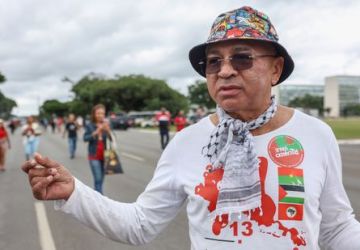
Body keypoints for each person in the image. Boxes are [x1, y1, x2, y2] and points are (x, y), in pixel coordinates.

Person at [22, 6, 360, 250]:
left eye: (242, 58)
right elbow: (140, 225)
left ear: (275, 70)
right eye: (214, 61)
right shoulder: (187, 142)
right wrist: (74, 193)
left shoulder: (315, 134)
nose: (225, 70)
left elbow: (336, 228)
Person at [83, 104, 112, 194]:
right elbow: (85, 138)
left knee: (100, 180)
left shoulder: (106, 124)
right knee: (98, 179)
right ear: (94, 114)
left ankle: (96, 198)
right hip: (94, 155)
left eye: (102, 113)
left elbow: (112, 139)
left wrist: (108, 131)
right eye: (98, 113)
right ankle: (100, 202)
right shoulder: (90, 125)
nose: (100, 115)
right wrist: (96, 132)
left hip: (105, 155)